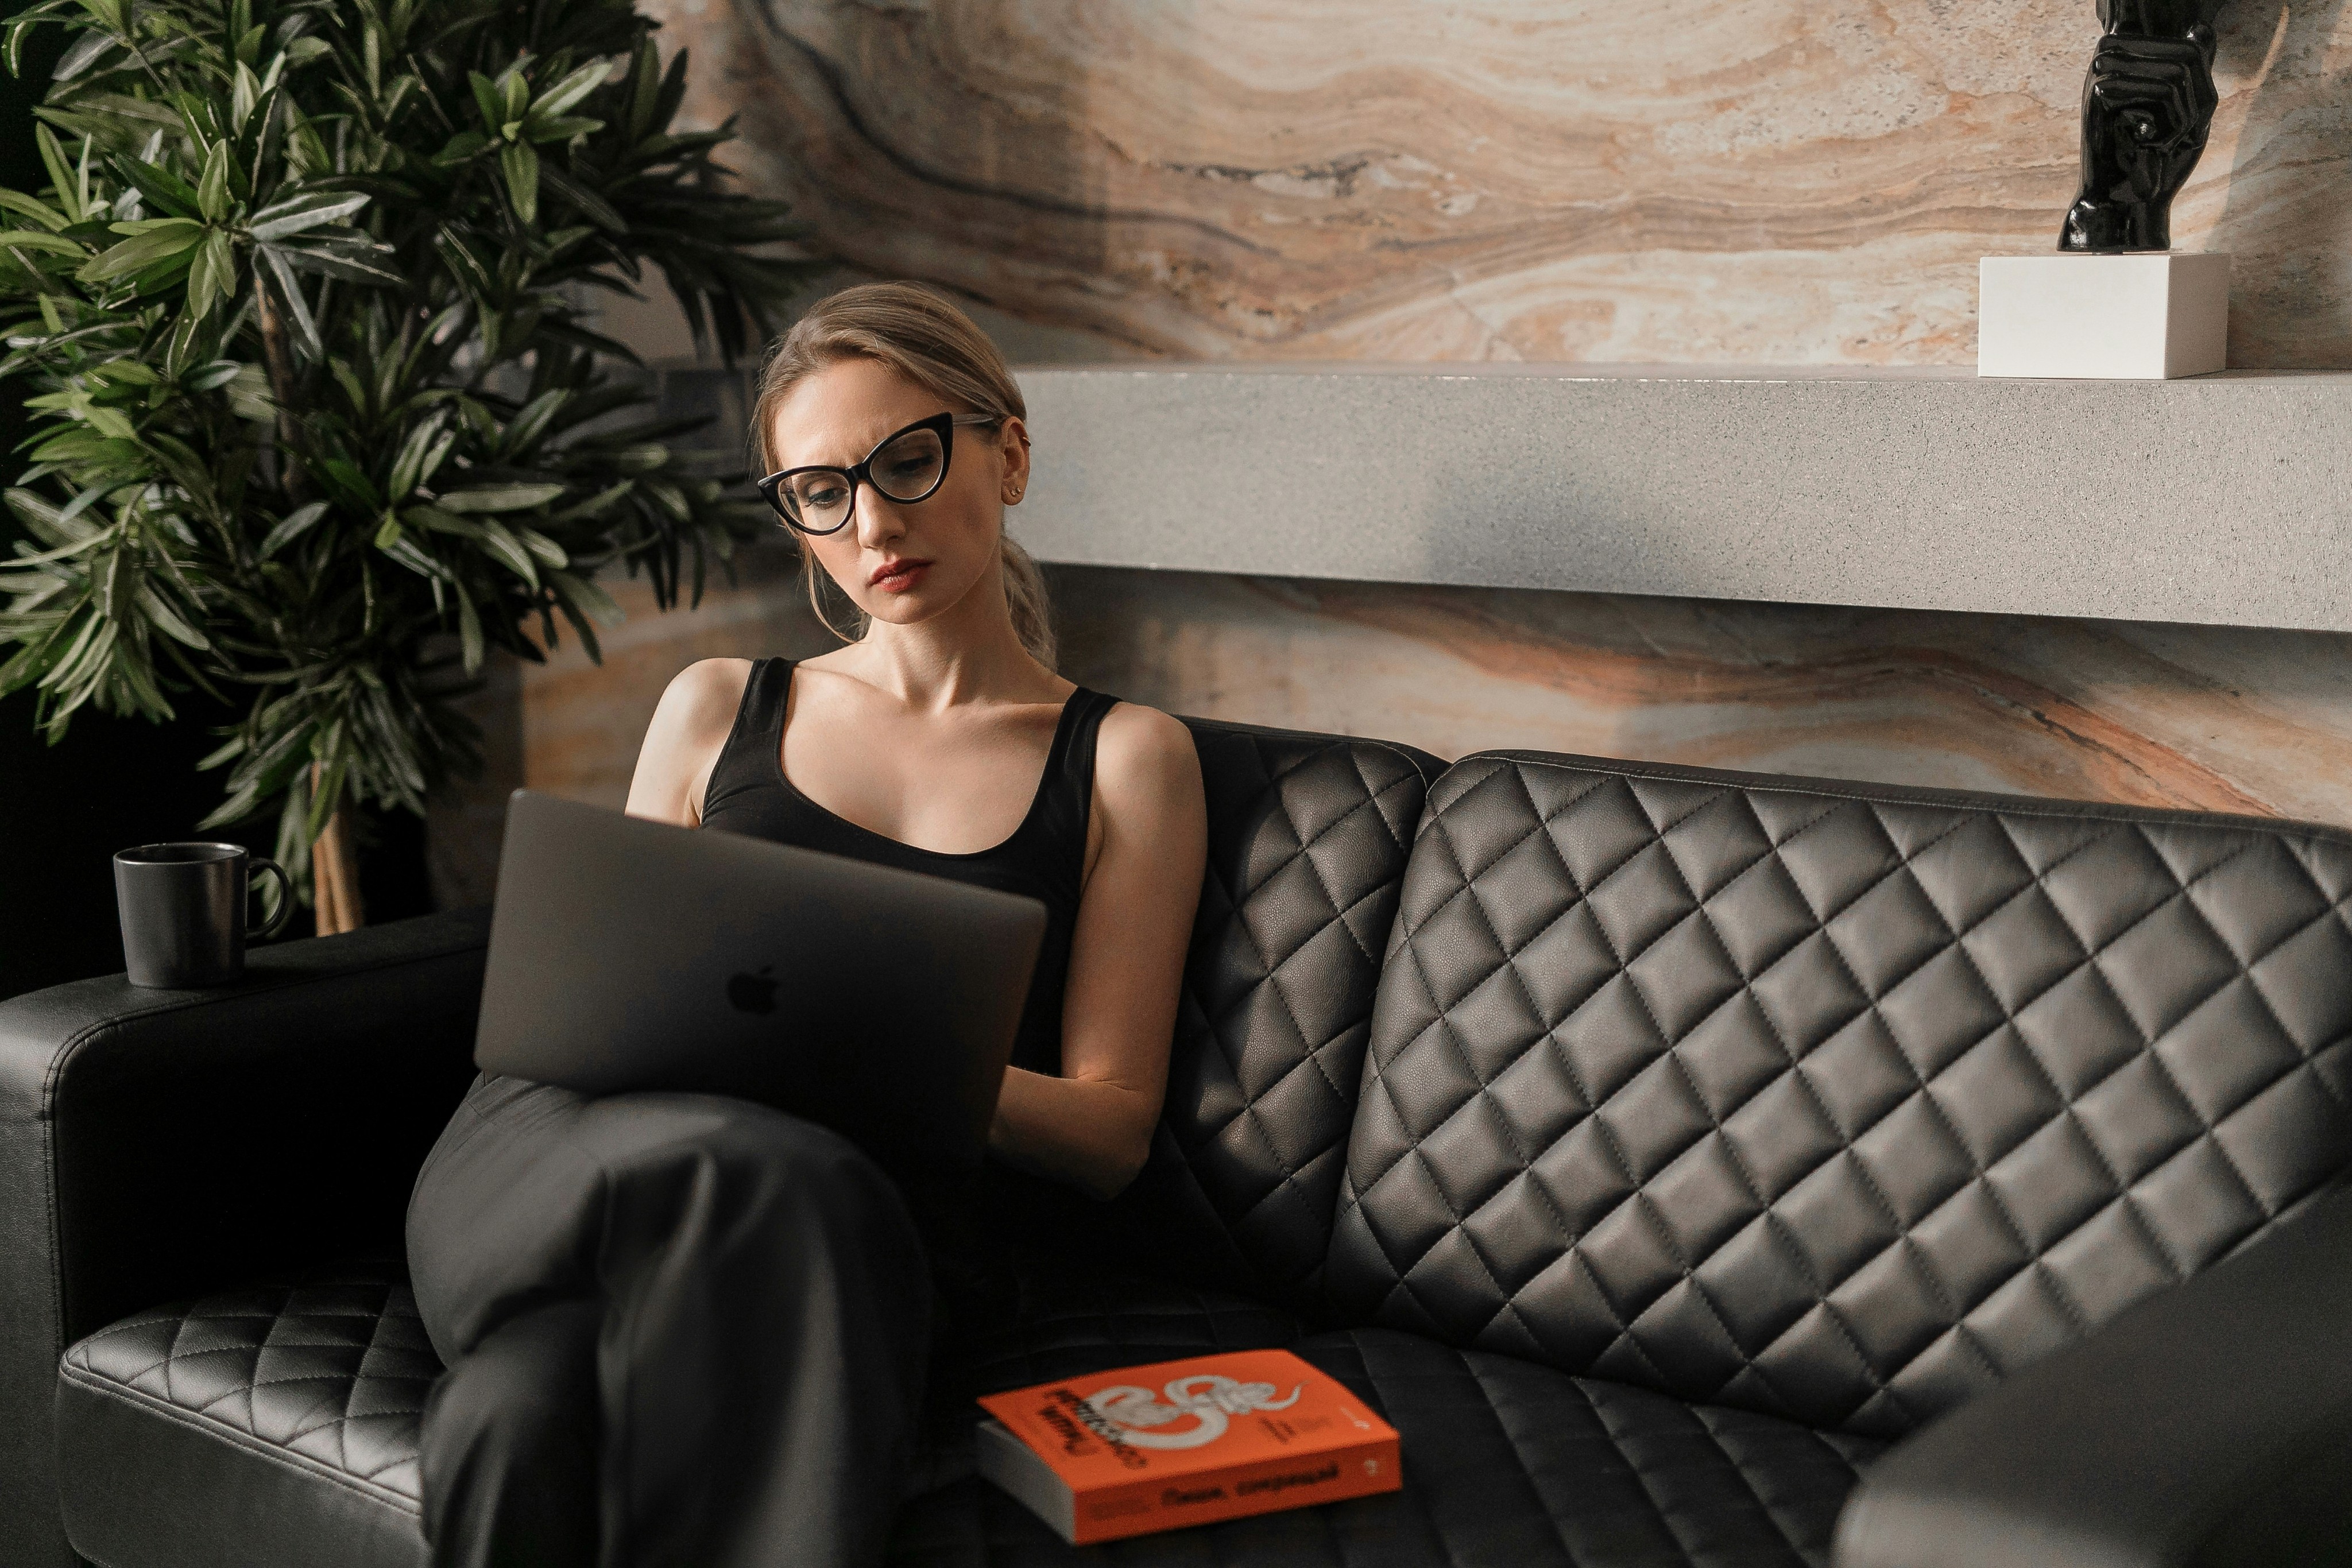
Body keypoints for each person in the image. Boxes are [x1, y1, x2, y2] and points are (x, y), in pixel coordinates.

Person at [404, 281, 1209, 1567]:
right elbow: (597, 995)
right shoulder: (717, 702)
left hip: (840, 1226)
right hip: (570, 1154)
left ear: (1006, 450)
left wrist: (863, 1052)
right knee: (730, 1162)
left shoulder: (1123, 757)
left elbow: (1109, 1132)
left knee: (514, 1412)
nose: (873, 519)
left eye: (907, 459)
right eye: (821, 490)